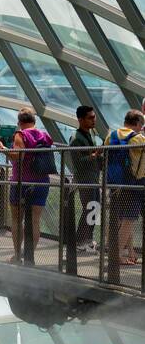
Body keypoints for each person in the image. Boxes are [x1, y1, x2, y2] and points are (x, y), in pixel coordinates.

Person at [0, 109, 54, 263]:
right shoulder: (45, 136)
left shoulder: (20, 135)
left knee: (17, 220)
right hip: (41, 182)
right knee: (35, 220)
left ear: (19, 123)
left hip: (22, 182)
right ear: (34, 121)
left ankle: (18, 255)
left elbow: (17, 156)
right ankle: (29, 255)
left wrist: (1, 147)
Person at [104, 109, 145, 267]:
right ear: (137, 123)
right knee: (129, 220)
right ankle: (116, 255)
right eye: (141, 124)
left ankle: (124, 253)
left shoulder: (112, 135)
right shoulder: (138, 139)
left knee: (120, 219)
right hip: (133, 183)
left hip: (114, 183)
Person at [69, 105, 100, 252]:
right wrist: (94, 156)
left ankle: (87, 239)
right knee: (89, 208)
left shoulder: (90, 133)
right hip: (84, 178)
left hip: (93, 177)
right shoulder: (76, 138)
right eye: (90, 117)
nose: (94, 120)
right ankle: (81, 241)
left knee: (95, 208)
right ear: (80, 119)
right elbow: (77, 162)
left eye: (94, 117)